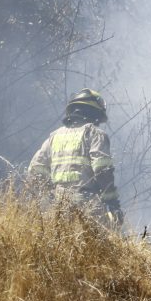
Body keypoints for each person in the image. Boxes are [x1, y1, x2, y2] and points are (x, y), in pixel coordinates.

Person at [29, 88, 123, 228]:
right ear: (94, 113)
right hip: (87, 206)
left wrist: (51, 195)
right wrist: (112, 203)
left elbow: (35, 170)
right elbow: (103, 170)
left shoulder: (54, 137)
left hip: (58, 207)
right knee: (96, 241)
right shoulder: (95, 134)